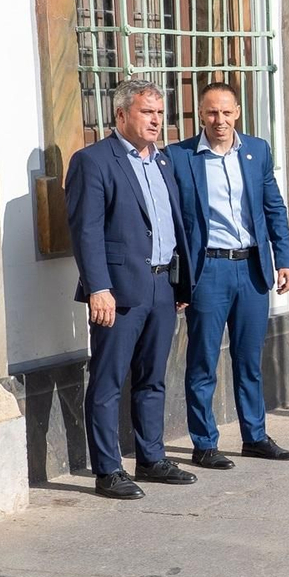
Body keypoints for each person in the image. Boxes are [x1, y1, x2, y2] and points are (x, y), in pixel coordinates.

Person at [65, 79, 197, 500]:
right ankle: (107, 470)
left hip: (162, 284)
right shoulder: (93, 161)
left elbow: (174, 223)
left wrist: (179, 281)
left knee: (153, 377)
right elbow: (86, 231)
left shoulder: (163, 161)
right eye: (147, 112)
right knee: (108, 380)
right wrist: (98, 288)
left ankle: (151, 457)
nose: (156, 120)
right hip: (118, 292)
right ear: (121, 115)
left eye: (160, 113)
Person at [166, 81, 289, 469]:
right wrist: (178, 277)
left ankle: (254, 436)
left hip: (253, 269)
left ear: (237, 112)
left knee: (249, 360)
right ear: (200, 115)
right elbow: (171, 221)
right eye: (211, 112)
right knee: (203, 360)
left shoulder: (256, 151)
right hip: (208, 271)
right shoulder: (179, 157)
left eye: (226, 112)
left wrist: (284, 260)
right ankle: (204, 442)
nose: (219, 120)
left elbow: (275, 209)